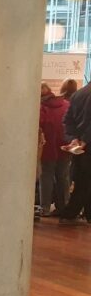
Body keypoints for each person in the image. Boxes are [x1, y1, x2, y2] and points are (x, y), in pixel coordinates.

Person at [59, 81, 91, 225]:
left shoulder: (79, 94)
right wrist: (85, 139)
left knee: (81, 180)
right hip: (86, 144)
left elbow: (68, 120)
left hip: (79, 148)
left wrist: (74, 139)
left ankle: (70, 214)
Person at [38, 82, 70, 216]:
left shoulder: (41, 108)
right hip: (65, 146)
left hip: (48, 147)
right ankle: (64, 207)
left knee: (46, 177)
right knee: (63, 177)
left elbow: (39, 125)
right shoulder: (66, 104)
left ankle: (45, 208)